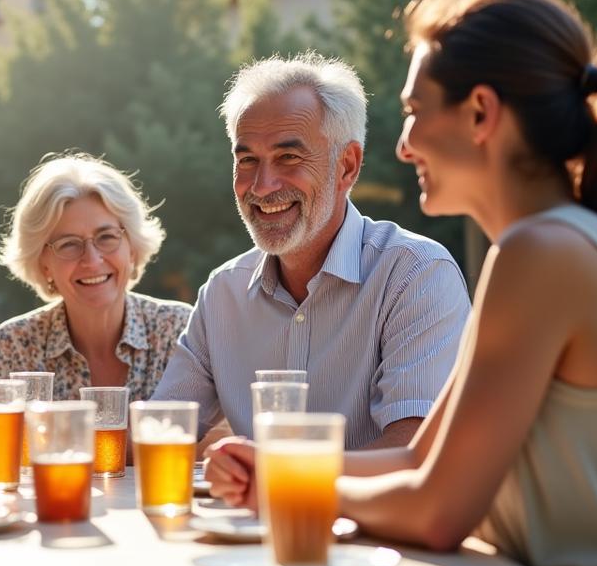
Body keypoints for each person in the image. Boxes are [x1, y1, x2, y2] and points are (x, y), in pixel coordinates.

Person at [206, 0, 597, 566]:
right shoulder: (546, 245)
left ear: (480, 113)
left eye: (415, 111)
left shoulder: (543, 252)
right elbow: (417, 458)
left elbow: (437, 509)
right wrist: (274, 466)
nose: (404, 144)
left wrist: (285, 484)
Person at [150, 52, 471, 450]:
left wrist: (270, 477)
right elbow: (162, 430)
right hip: (253, 515)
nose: (263, 185)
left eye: (289, 157)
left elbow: (413, 449)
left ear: (347, 166)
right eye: (247, 160)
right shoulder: (222, 293)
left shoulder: (416, 274)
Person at [0, 154, 192, 402]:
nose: (92, 260)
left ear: (132, 248)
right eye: (68, 245)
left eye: (107, 237)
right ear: (43, 264)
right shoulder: (13, 346)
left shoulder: (180, 331)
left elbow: (223, 435)